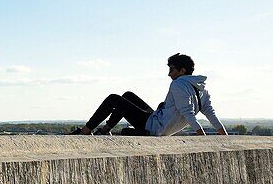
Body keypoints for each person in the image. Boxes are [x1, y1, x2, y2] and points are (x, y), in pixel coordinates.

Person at [71, 53, 227, 136]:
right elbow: (210, 114)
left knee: (114, 98)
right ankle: (105, 130)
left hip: (154, 128)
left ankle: (85, 130)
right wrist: (223, 134)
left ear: (182, 71)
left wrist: (201, 136)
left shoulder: (178, 84)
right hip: (159, 122)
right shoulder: (201, 89)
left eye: (171, 70)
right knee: (128, 95)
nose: (169, 74)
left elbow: (188, 114)